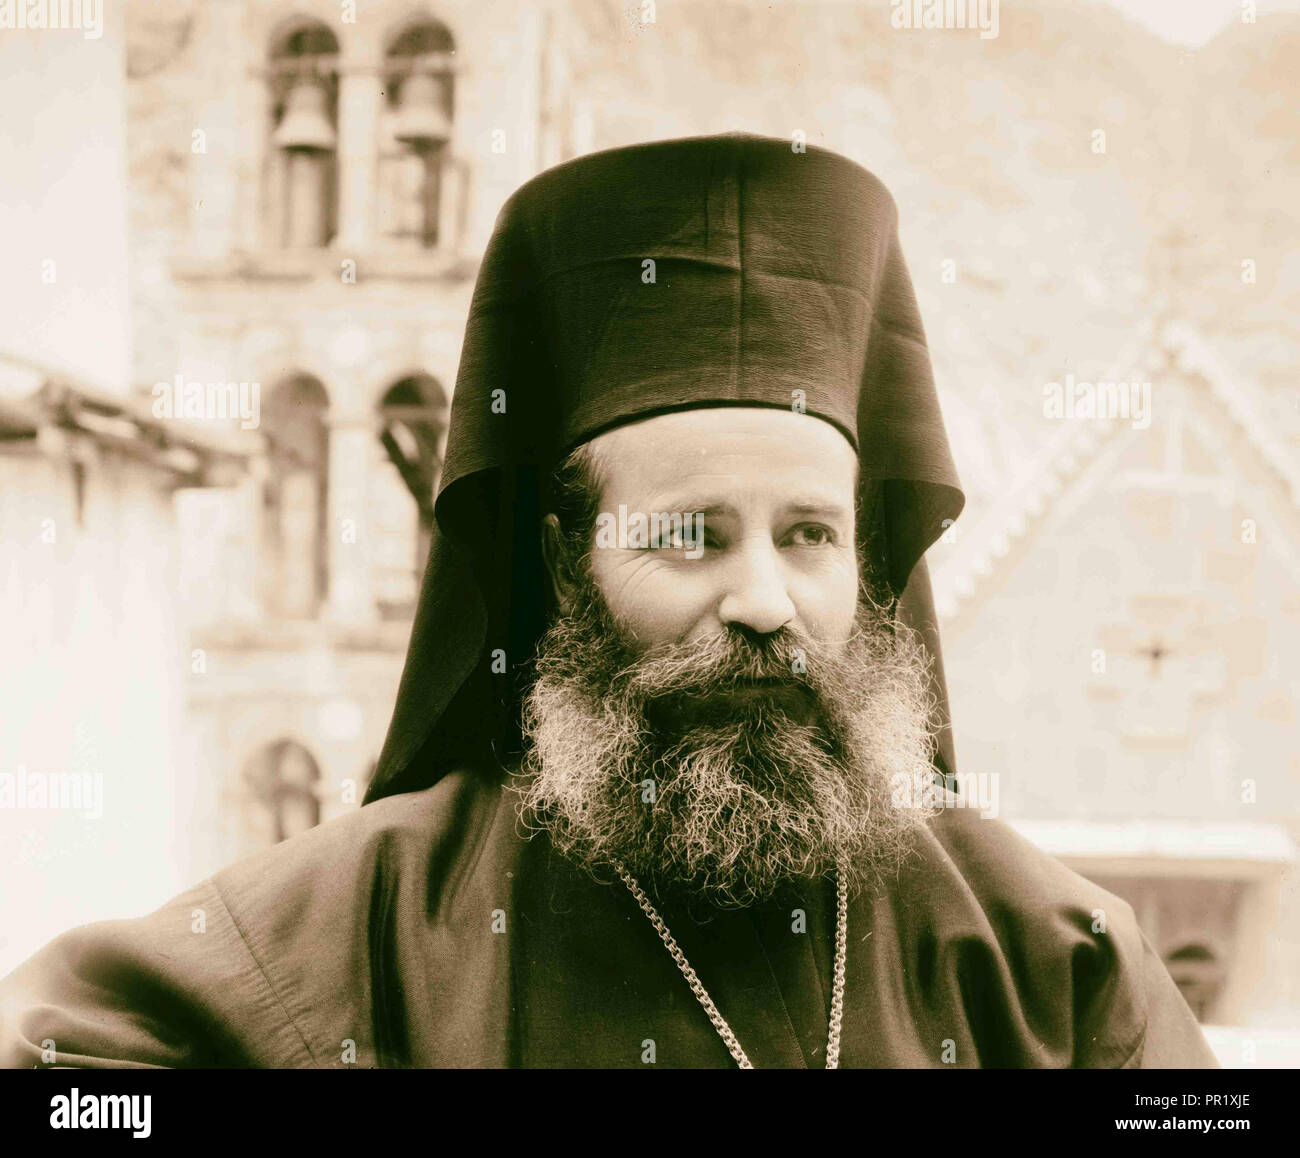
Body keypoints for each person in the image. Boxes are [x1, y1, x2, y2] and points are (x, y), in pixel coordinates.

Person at [0, 133, 1217, 1068]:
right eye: (690, 537)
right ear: (567, 554)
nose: (763, 600)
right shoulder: (370, 929)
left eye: (809, 537)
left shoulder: (1048, 959)